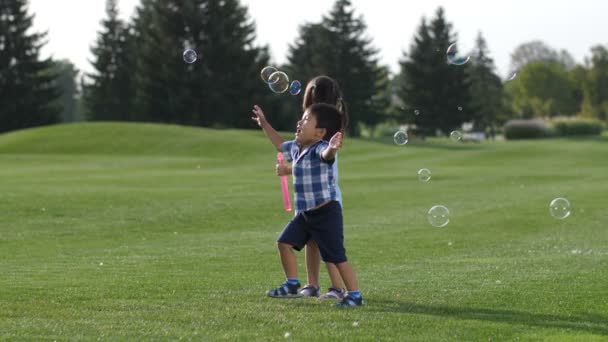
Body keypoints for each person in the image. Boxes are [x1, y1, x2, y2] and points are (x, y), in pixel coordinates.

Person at [252, 102, 363, 307]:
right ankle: (292, 283)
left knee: (336, 256)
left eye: (306, 120)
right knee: (283, 243)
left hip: (326, 213)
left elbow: (327, 155)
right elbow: (279, 144)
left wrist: (332, 147)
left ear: (319, 132)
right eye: (301, 118)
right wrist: (264, 124)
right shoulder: (296, 148)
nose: (299, 122)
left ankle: (355, 295)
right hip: (304, 215)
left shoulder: (320, 148)